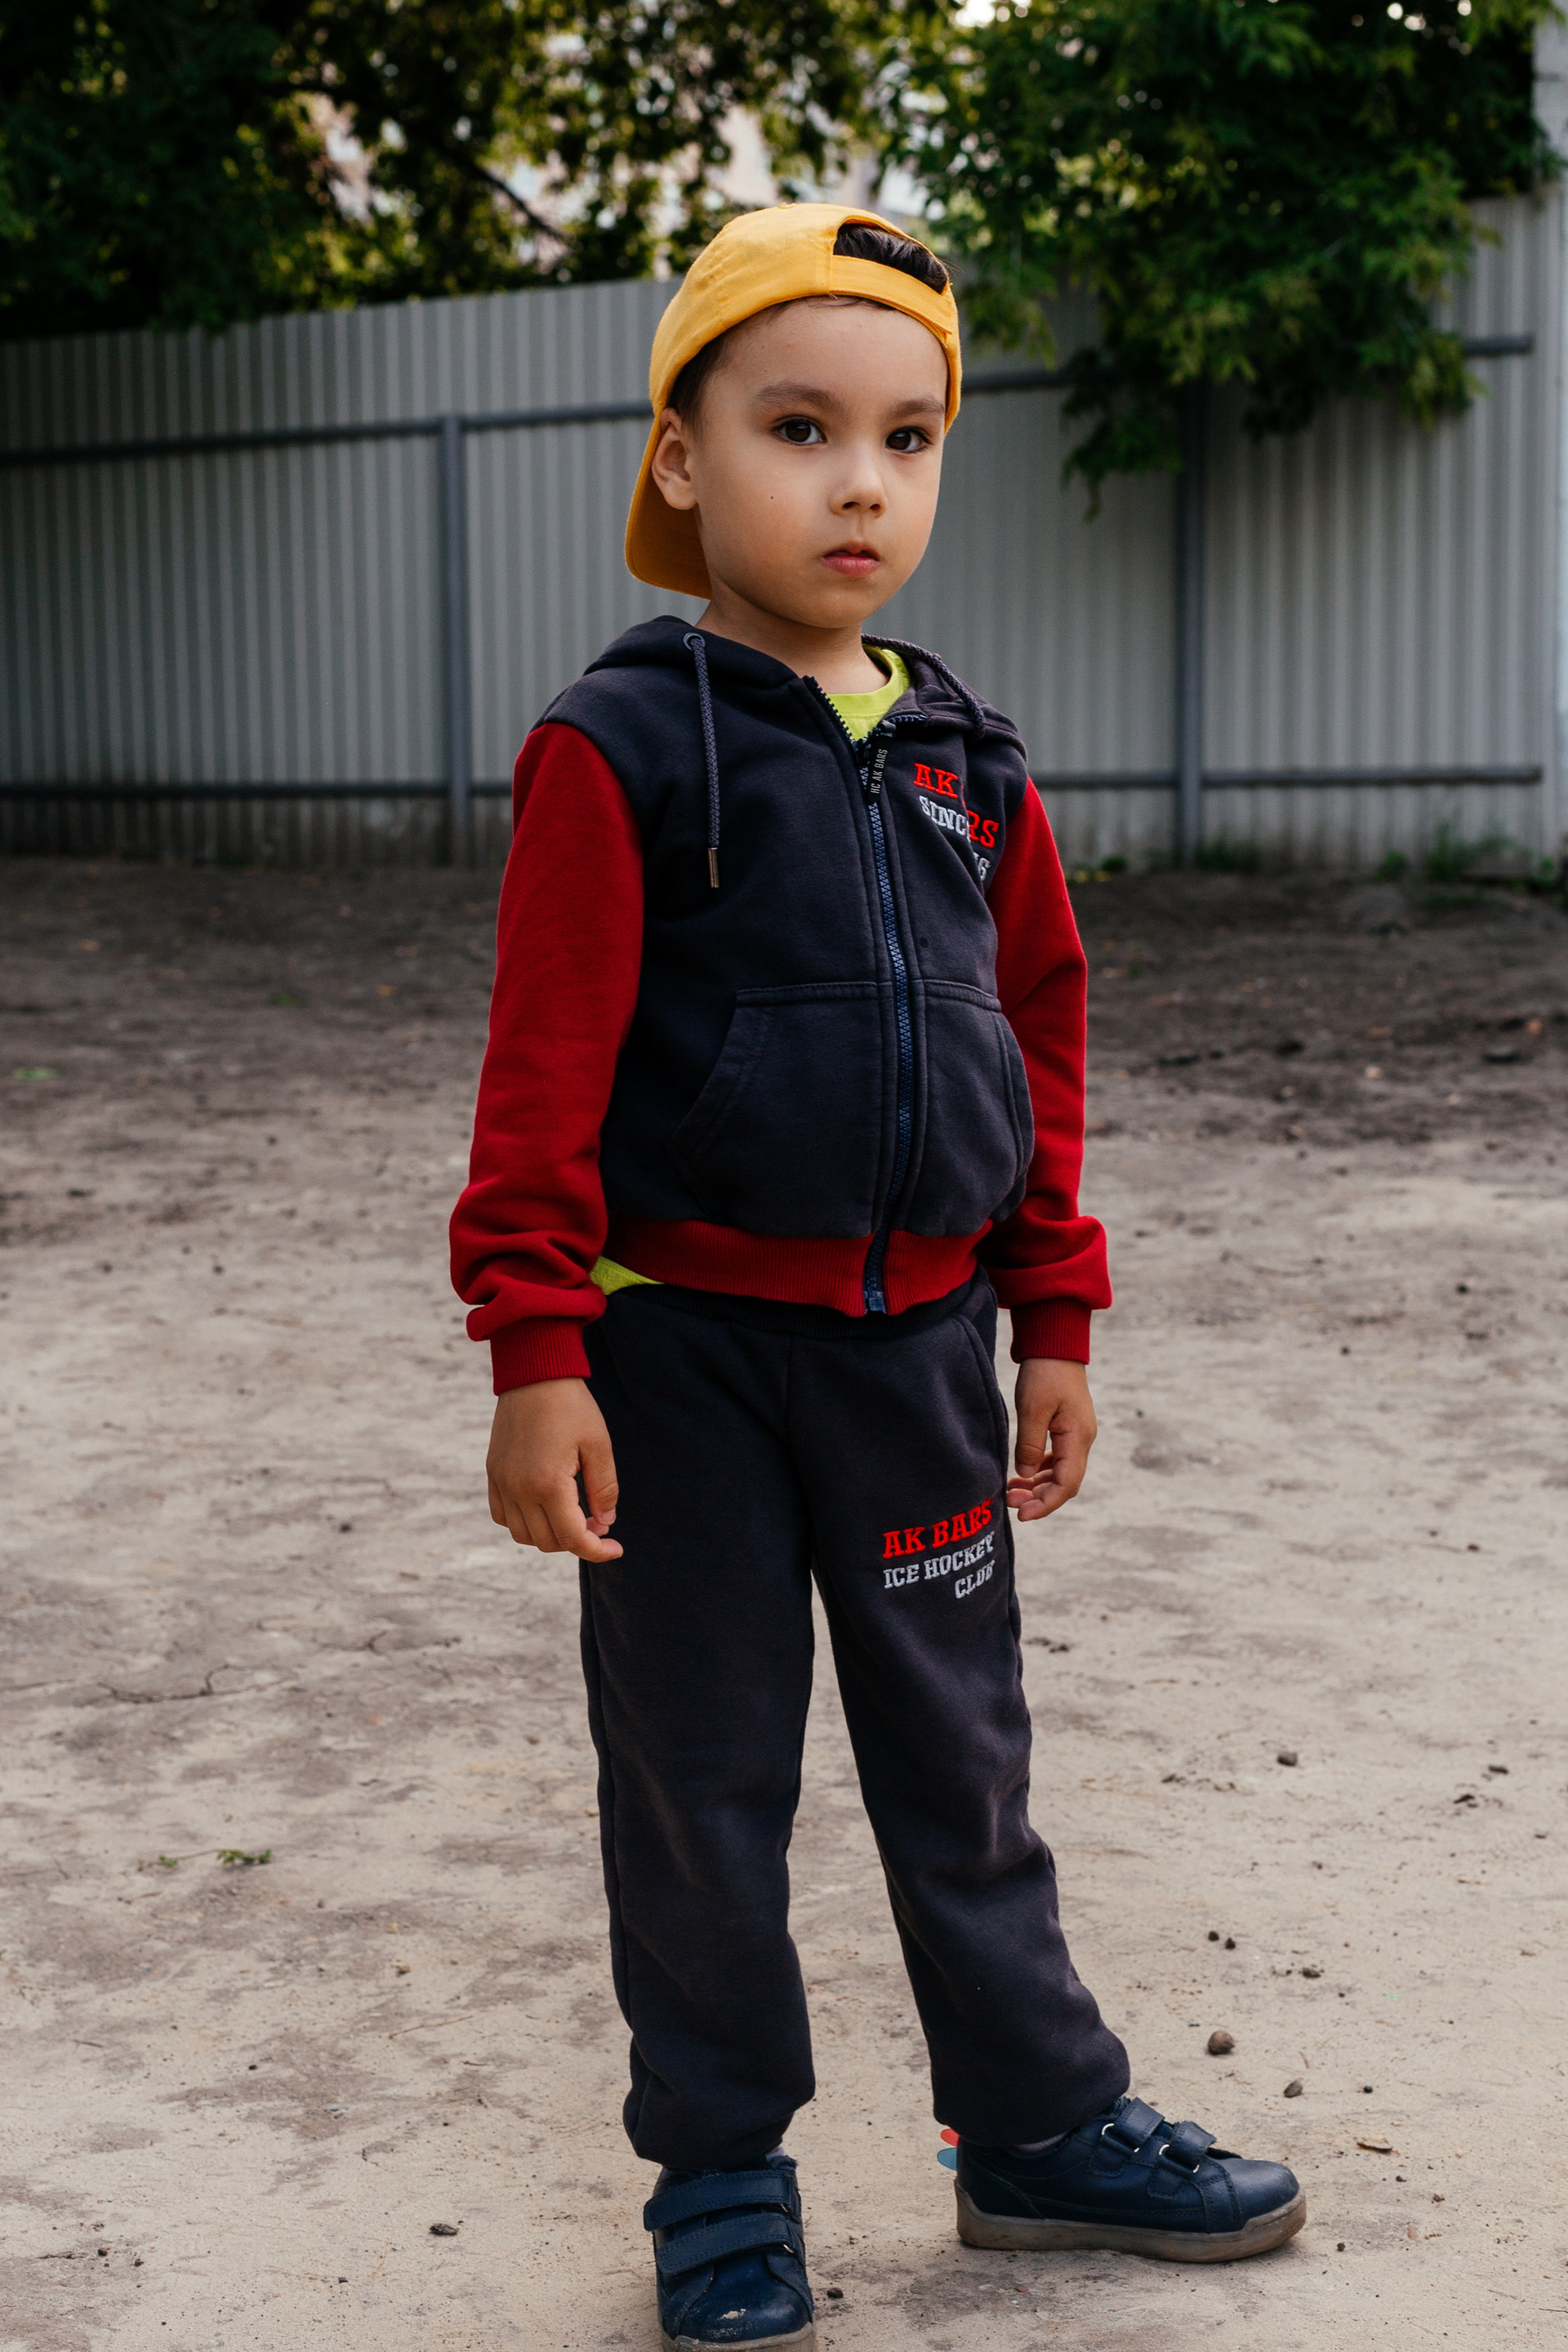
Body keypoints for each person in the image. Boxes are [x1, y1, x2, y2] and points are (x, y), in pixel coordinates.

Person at [451, 203, 1303, 2351]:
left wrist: (1054, 1315)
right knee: (703, 1782)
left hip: (920, 1352)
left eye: (909, 439)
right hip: (682, 1367)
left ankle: (1036, 2125)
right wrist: (540, 1349)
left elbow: (1039, 1040)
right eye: (800, 428)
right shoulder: (618, 745)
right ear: (680, 456)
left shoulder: (968, 760)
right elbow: (541, 1072)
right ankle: (722, 2171)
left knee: (963, 1758)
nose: (861, 484)